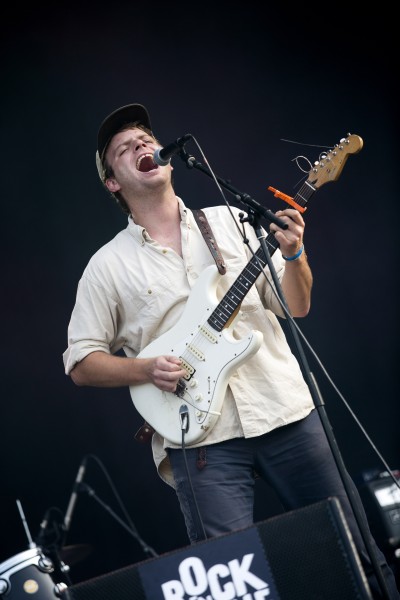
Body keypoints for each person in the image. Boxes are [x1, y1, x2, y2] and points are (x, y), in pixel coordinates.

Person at [63, 103, 399, 599]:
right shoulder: (106, 266)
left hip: (284, 410)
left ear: (167, 157)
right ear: (113, 181)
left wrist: (295, 254)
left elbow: (297, 305)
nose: (140, 147)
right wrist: (146, 368)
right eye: (123, 149)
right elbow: (80, 362)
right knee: (231, 582)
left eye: (144, 139)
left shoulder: (231, 220)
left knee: (355, 550)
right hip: (200, 442)